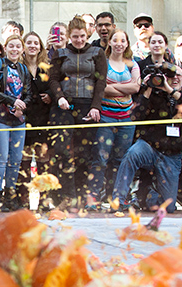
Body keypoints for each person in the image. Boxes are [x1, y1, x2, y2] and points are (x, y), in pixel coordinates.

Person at [48, 16, 107, 210]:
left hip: (87, 105)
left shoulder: (97, 53)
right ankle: (67, 195)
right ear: (69, 36)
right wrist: (59, 97)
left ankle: (81, 196)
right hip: (64, 105)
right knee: (62, 151)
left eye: (82, 36)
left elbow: (101, 81)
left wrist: (96, 106)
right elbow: (53, 79)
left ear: (88, 34)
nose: (79, 40)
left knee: (84, 153)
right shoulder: (61, 53)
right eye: (75, 37)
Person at [113, 66, 182, 213]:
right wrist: (147, 91)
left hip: (171, 155)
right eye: (171, 76)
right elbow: (135, 117)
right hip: (149, 146)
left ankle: (146, 195)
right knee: (132, 154)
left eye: (178, 75)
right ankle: (119, 200)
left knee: (169, 208)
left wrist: (170, 91)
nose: (175, 78)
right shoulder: (154, 93)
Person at [86, 29, 140, 211]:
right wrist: (125, 87)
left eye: (122, 40)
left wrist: (112, 87)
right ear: (109, 42)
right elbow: (101, 88)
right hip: (106, 117)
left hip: (125, 120)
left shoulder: (133, 65)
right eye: (114, 40)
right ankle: (93, 198)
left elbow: (136, 88)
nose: (118, 43)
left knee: (119, 160)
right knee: (100, 159)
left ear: (127, 44)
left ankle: (116, 199)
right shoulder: (103, 63)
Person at [0, 35, 32, 211]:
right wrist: (11, 101)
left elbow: (28, 93)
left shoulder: (23, 69)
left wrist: (22, 107)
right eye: (11, 46)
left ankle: (10, 196)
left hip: (18, 120)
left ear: (22, 49)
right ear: (5, 47)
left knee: (16, 160)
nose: (14, 49)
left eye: (18, 46)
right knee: (1, 159)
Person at [19, 31, 51, 206]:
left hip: (42, 120)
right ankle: (23, 201)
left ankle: (45, 201)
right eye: (29, 42)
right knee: (23, 164)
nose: (32, 46)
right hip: (23, 119)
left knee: (43, 163)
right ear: (24, 46)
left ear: (40, 47)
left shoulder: (46, 68)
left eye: (36, 43)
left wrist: (51, 95)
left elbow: (55, 85)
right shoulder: (18, 67)